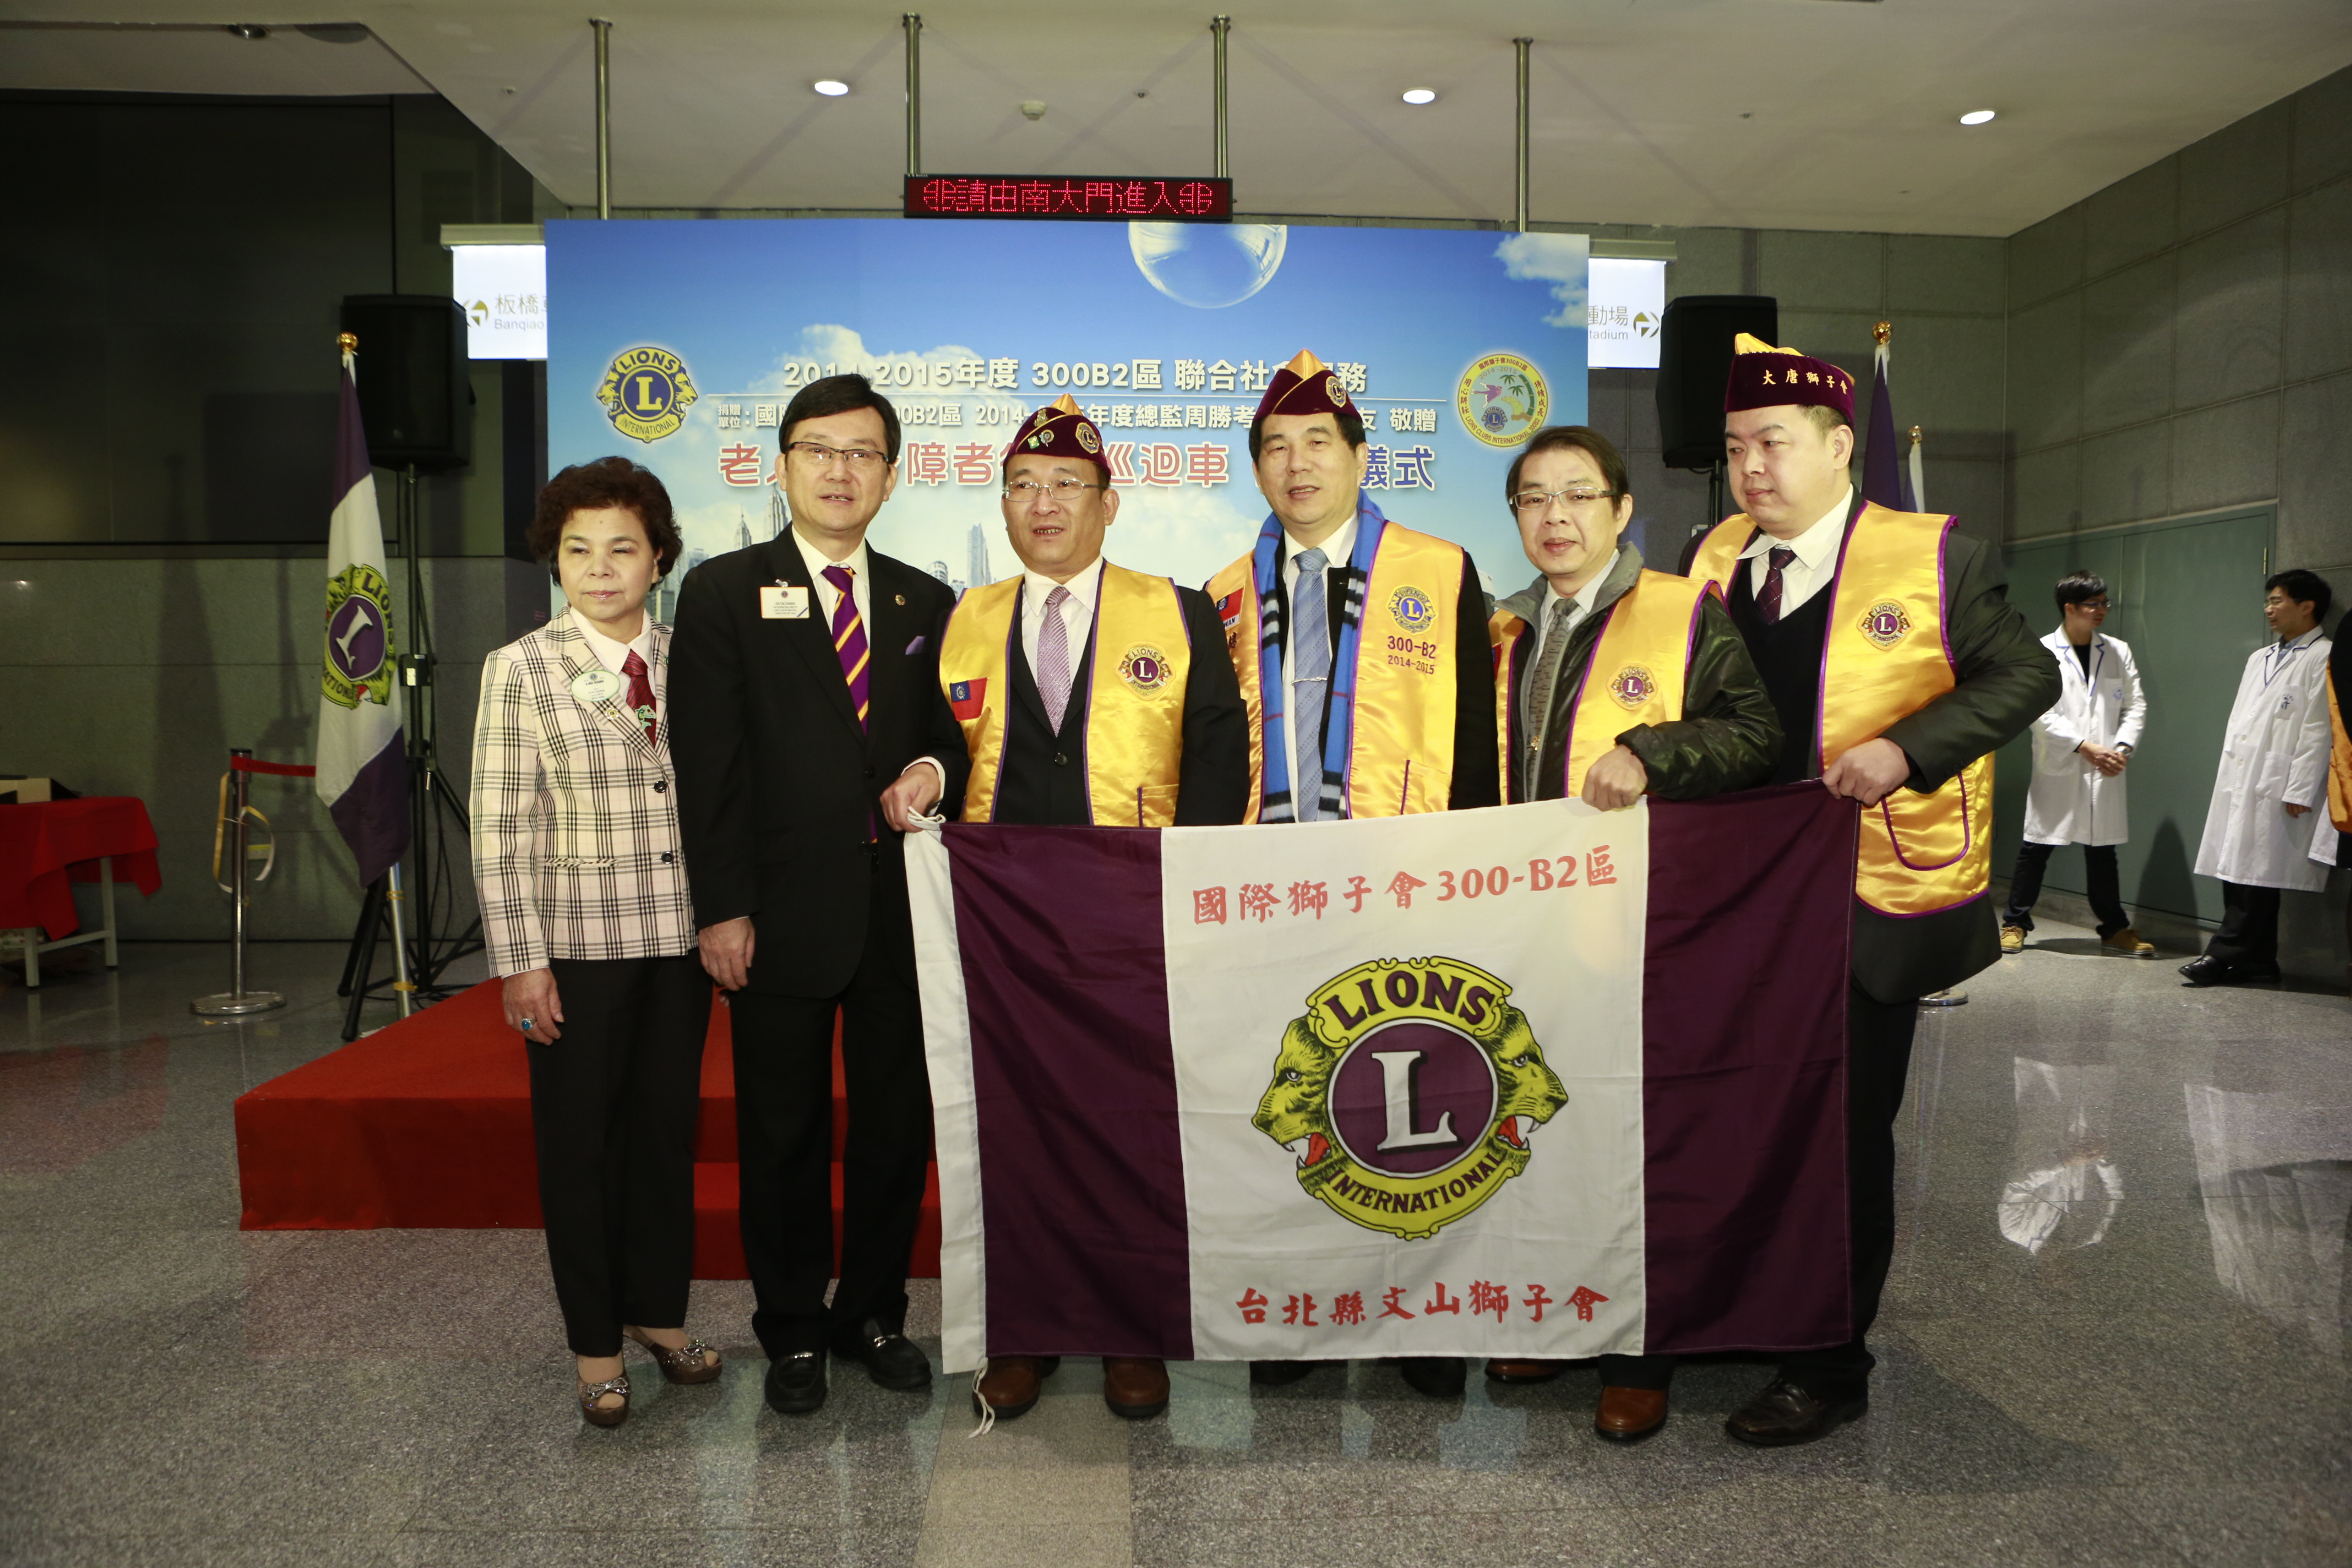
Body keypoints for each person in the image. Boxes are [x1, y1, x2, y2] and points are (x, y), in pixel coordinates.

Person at [1683, 334, 2057, 1446]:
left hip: (1865, 897)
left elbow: (2026, 673)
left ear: (1842, 447)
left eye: (1774, 443)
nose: (1752, 467)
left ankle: (1829, 1360)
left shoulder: (1934, 554)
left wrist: (1907, 748)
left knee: (1839, 1136)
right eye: (1736, 447)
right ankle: (1746, 1313)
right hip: (1733, 903)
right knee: (1738, 1117)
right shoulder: (1712, 559)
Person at [668, 375, 971, 1416]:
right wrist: (722, 908)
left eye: (863, 453)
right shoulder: (721, 592)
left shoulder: (926, 602)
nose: (842, 471)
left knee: (894, 1129)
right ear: (783, 465)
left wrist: (932, 770)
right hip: (776, 916)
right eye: (820, 450)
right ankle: (793, 1326)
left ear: (893, 474)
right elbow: (708, 767)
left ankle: (874, 1313)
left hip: (898, 917)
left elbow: (954, 737)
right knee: (781, 1133)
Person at [948, 394, 1249, 1423]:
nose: (1044, 504)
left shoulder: (1177, 611)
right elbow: (935, 746)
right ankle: (1024, 1333)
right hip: (1004, 930)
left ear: (1108, 504)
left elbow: (1219, 756)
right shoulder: (965, 618)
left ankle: (1133, 1334)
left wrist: (1194, 898)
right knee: (1015, 1125)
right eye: (1024, 486)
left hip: (1136, 922)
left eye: (1067, 486)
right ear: (1002, 502)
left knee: (1133, 1125)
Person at [1206, 348, 1500, 1401]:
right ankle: (1302, 1319)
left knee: (1420, 1103)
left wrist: (1475, 871)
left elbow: (1479, 740)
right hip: (1276, 893)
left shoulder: (1440, 569)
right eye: (1277, 449)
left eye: (1319, 444)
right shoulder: (1222, 595)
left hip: (1409, 882)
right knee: (1296, 1098)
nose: (1298, 465)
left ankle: (1423, 1318)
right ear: (1256, 468)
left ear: (1362, 457)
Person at [1481, 424, 1781, 1439]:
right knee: (1542, 1125)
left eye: (1577, 496)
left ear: (1620, 510)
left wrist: (1653, 751)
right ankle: (1560, 1323)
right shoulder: (1504, 629)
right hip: (1527, 929)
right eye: (1533, 499)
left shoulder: (1684, 611)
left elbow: (1756, 735)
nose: (1554, 517)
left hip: (1645, 929)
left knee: (1640, 1143)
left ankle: (1641, 1353)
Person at [470, 456, 722, 1427]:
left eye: (623, 548)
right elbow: (499, 831)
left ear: (659, 558)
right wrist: (521, 963)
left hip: (680, 945)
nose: (601, 568)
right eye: (579, 550)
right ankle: (595, 1347)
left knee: (663, 1139)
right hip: (575, 949)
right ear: (555, 561)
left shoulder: (694, 658)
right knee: (581, 1149)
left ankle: (658, 1315)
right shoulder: (521, 668)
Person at [2181, 570, 2335, 986]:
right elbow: (2240, 721)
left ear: (2307, 606)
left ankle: (2222, 955)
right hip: (2243, 776)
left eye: (2277, 601)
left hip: (2281, 782)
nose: (2269, 609)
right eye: (2267, 601)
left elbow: (2319, 729)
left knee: (2257, 873)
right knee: (2239, 869)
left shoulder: (2324, 656)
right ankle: (2261, 962)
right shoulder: (2259, 658)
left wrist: (2301, 787)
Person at [2000, 571, 2155, 957]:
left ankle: (2114, 929)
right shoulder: (2041, 651)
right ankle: (2015, 923)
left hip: (2106, 765)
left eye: (2104, 603)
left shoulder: (2117, 650)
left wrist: (2122, 747)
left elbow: (2135, 704)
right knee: (2037, 846)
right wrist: (2082, 746)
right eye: (2093, 604)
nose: (2102, 610)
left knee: (2102, 851)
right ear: (2069, 608)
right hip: (2061, 762)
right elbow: (2037, 709)